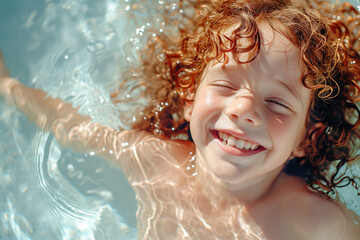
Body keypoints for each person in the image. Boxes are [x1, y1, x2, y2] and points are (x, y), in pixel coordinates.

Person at [1, 0, 360, 239]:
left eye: (277, 103)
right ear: (190, 98)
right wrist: (7, 85)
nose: (244, 110)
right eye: (225, 84)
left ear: (305, 139)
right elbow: (71, 126)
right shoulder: (153, 162)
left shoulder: (313, 221)